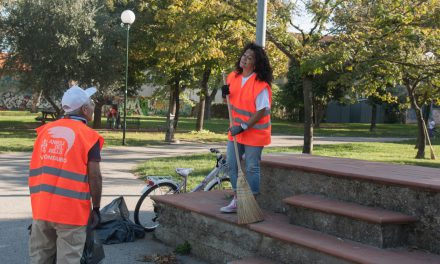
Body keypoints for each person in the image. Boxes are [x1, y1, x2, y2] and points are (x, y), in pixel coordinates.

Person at [28, 85, 104, 264]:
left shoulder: (44, 132)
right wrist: (96, 208)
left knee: (40, 257)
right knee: (68, 259)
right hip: (71, 212)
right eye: (92, 103)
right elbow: (95, 177)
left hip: (42, 207)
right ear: (85, 110)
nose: (94, 106)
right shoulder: (88, 136)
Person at [220, 42, 273, 213]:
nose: (244, 59)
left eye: (249, 58)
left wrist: (243, 126)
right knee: (232, 165)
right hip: (236, 131)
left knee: (251, 167)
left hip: (254, 133)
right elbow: (229, 103)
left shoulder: (260, 84)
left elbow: (262, 111)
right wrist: (224, 95)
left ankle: (251, 201)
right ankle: (237, 199)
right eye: (244, 55)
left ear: (255, 63)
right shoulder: (232, 77)